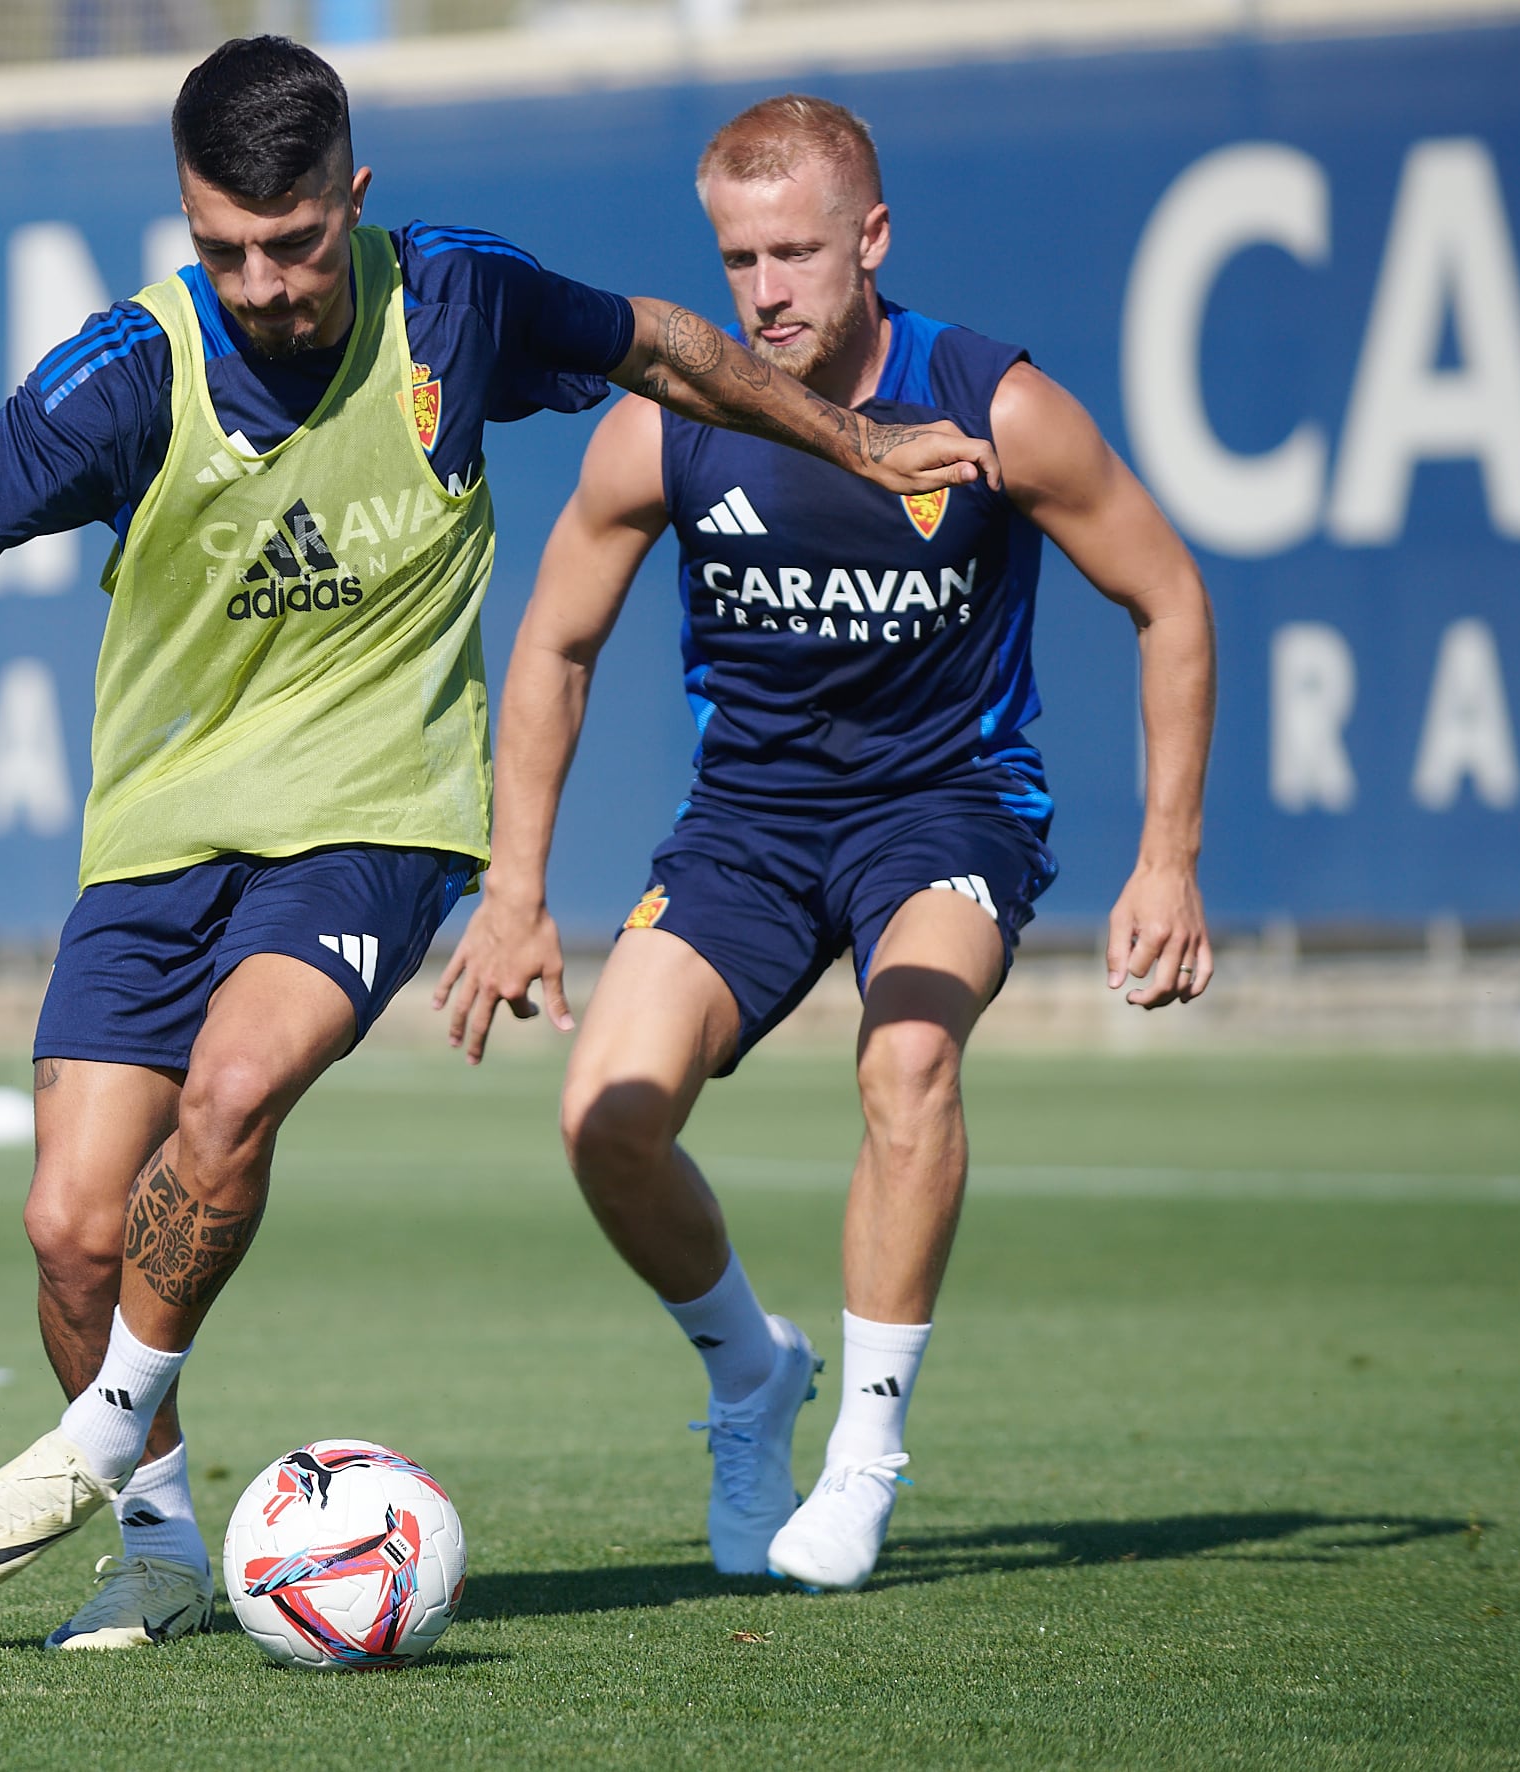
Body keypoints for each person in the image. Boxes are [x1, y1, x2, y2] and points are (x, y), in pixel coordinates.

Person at [0, 45, 998, 1649]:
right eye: (223, 251)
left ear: (354, 197)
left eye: (293, 244)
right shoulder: (132, 370)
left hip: (376, 818)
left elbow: (669, 350)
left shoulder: (457, 302)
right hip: (157, 836)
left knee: (238, 1085)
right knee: (71, 1229)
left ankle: (97, 1433)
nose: (261, 284)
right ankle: (156, 1546)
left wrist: (863, 442)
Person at [435, 94, 1215, 1591]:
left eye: (795, 252)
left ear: (869, 239)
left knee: (906, 1056)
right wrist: (514, 889)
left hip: (949, 805)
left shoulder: (992, 403)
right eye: (736, 259)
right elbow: (552, 645)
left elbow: (1166, 596)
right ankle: (750, 1378)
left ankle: (863, 1457)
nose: (764, 291)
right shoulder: (666, 422)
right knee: (603, 1116)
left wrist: (1164, 857)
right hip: (749, 827)